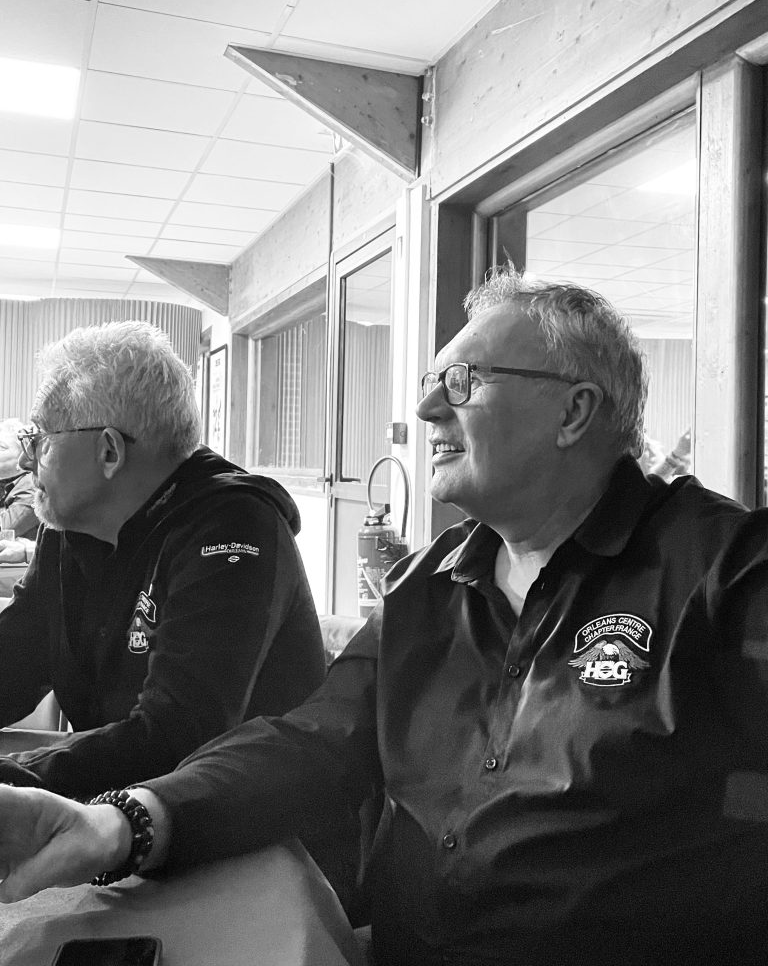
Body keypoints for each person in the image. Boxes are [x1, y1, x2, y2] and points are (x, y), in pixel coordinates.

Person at [0, 272, 759, 965]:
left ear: (573, 410)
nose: (426, 408)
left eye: (461, 382)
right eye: (431, 383)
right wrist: (122, 824)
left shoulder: (727, 574)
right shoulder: (429, 584)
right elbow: (312, 742)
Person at [0, 320, 327, 800]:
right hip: (121, 809)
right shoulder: (72, 526)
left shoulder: (233, 527)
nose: (27, 462)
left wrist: (16, 775)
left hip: (251, 824)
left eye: (41, 441)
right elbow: (19, 656)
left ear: (109, 451)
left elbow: (177, 734)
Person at [0, 417, 39, 543]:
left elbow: (4, 531)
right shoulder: (7, 484)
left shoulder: (31, 485)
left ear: (23, 453)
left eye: (1, 447)